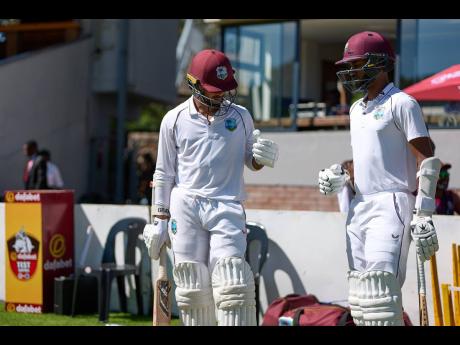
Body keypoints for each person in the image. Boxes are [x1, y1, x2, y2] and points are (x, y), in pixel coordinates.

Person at [142, 49, 279, 326]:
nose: (220, 97)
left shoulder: (241, 117)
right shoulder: (174, 119)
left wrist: (261, 159)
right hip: (186, 206)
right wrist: (159, 220)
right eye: (214, 91)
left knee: (233, 285)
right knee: (193, 288)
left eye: (224, 90)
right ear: (194, 85)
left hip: (227, 203)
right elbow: (164, 172)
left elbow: (251, 161)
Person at [318, 31, 441, 326]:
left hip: (393, 203)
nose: (350, 71)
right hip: (360, 205)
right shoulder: (356, 109)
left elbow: (427, 158)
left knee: (380, 296)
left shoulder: (402, 103)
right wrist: (341, 175)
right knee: (361, 299)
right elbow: (366, 160)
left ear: (379, 64)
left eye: (356, 64)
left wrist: (424, 212)